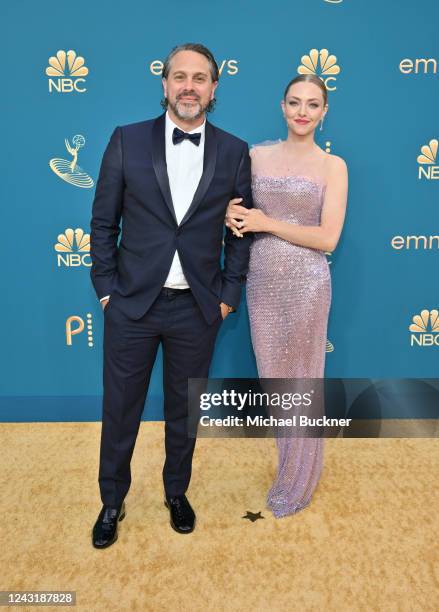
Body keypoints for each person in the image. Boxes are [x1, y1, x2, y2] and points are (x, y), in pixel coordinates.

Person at [90, 43, 253, 547]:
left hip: (198, 308)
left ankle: (176, 492)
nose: (188, 86)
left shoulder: (233, 150)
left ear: (214, 88)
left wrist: (227, 295)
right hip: (132, 304)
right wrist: (105, 291)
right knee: (121, 409)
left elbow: (240, 232)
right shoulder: (126, 140)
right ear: (164, 84)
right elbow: (102, 222)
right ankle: (112, 501)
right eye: (179, 76)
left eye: (199, 78)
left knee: (185, 411)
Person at [226, 74, 348, 517]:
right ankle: (288, 464)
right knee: (277, 383)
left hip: (309, 284)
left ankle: (298, 477)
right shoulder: (255, 156)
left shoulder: (333, 167)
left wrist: (266, 223)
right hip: (261, 281)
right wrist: (231, 214)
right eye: (295, 102)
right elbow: (232, 207)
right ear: (282, 106)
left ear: (324, 112)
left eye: (312, 104)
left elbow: (328, 238)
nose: (302, 111)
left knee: (303, 380)